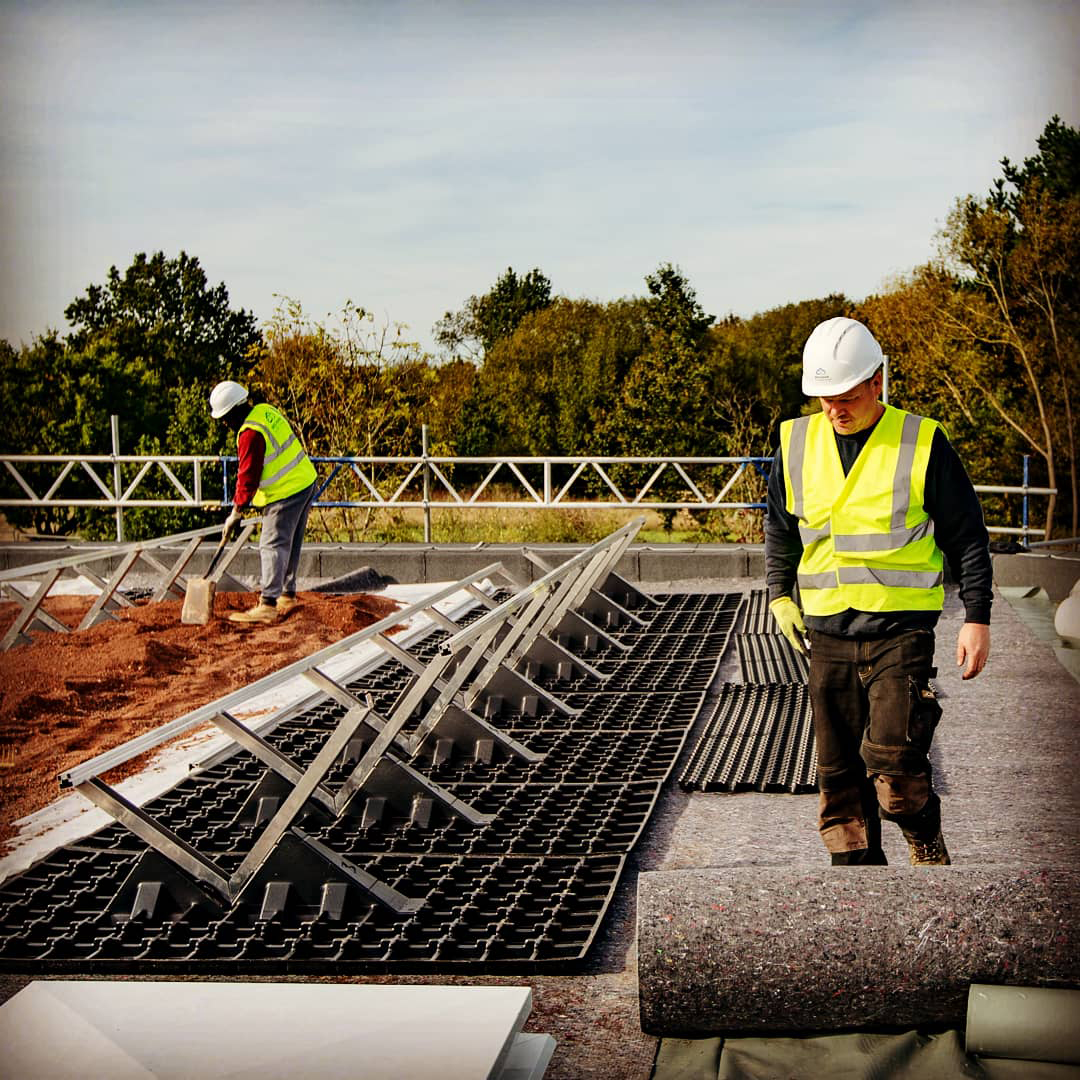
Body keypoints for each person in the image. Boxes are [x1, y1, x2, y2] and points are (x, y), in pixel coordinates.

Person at [764, 317, 992, 867]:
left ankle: (923, 831)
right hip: (825, 632)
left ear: (877, 381)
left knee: (895, 772)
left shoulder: (922, 441)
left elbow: (968, 536)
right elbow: (780, 525)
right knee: (839, 783)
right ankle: (859, 904)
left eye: (845, 397)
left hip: (899, 630)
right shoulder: (796, 441)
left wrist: (977, 618)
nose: (835, 410)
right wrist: (778, 593)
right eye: (824, 400)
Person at [209, 380, 318, 625]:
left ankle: (268, 604)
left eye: (226, 418)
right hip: (304, 480)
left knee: (272, 545)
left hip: (285, 491)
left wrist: (236, 512)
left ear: (235, 410)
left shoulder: (250, 433)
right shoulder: (265, 410)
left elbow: (248, 476)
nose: (226, 424)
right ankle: (287, 595)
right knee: (289, 543)